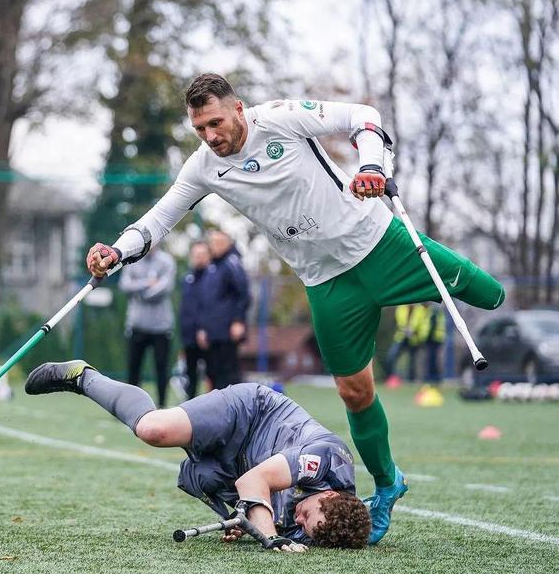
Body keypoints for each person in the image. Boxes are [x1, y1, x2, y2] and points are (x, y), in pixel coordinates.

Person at [85, 73, 505, 544]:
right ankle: (388, 484)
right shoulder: (204, 166)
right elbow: (158, 219)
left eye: (216, 123)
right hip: (326, 283)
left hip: (380, 245)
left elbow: (363, 117)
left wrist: (370, 166)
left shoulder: (281, 119)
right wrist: (117, 251)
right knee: (354, 392)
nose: (210, 136)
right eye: (199, 128)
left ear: (239, 109)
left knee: (490, 293)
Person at [24, 359, 371, 550]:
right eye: (305, 515)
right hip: (249, 415)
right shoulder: (328, 459)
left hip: (239, 461)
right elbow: (256, 481)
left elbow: (269, 510)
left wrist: (247, 522)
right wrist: (268, 537)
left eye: (304, 528)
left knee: (201, 479)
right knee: (153, 429)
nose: (298, 521)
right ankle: (83, 376)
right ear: (329, 494)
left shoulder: (318, 527)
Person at [119, 247, 176, 408]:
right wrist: (147, 284)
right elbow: (124, 285)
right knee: (133, 368)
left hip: (161, 327)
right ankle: (131, 405)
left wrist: (141, 292)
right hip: (137, 325)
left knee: (162, 368)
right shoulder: (132, 261)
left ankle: (162, 405)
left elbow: (165, 287)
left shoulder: (167, 261)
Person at [197, 230, 250, 389]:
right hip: (213, 331)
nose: (215, 246)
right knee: (213, 372)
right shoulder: (212, 266)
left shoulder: (232, 263)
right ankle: (218, 410)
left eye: (220, 242)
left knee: (230, 374)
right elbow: (207, 301)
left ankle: (237, 411)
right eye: (213, 242)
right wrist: (203, 328)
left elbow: (243, 294)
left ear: (228, 244)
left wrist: (238, 321)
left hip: (227, 331)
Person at [179, 240, 212, 398]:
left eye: (202, 254)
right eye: (196, 255)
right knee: (190, 376)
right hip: (189, 336)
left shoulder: (213, 278)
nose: (199, 258)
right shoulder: (187, 278)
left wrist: (204, 328)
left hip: (208, 336)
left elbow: (210, 307)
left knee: (212, 375)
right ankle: (189, 412)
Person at [385, 304, 427, 382]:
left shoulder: (420, 309)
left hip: (414, 338)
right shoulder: (401, 308)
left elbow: (422, 324)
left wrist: (414, 330)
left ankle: (411, 379)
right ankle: (392, 378)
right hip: (401, 336)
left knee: (412, 360)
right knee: (392, 355)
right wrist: (405, 329)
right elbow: (399, 321)